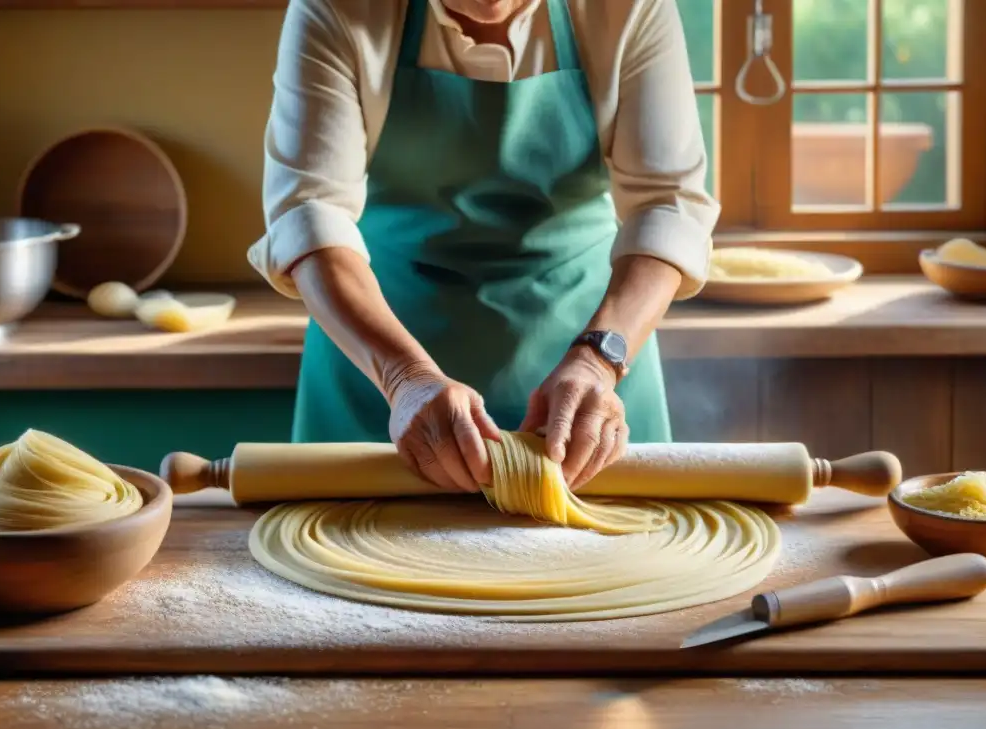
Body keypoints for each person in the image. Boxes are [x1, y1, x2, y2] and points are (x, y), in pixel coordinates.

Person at [248, 0, 719, 493]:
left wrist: (599, 360)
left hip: (590, 362)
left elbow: (667, 205)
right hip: (379, 368)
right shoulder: (337, 8)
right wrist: (405, 378)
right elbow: (309, 214)